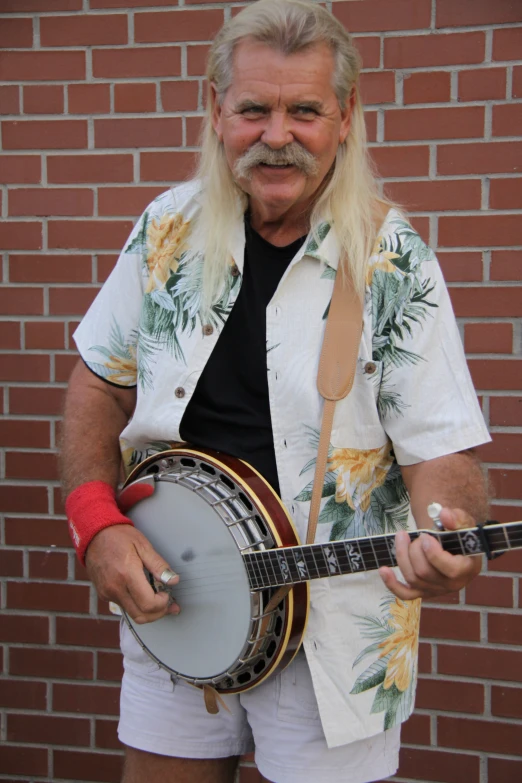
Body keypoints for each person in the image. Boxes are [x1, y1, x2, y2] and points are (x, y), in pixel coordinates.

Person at [60, 1, 491, 782]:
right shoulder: (166, 230)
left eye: (305, 110)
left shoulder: (394, 260)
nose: (277, 135)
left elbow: (443, 447)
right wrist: (95, 521)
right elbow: (99, 380)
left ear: (346, 116)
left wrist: (445, 529)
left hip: (331, 632)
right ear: (215, 110)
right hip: (175, 594)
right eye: (254, 109)